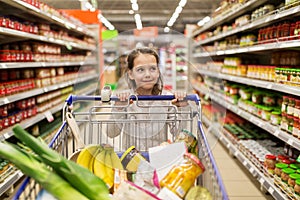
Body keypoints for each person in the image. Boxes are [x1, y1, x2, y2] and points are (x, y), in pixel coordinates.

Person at [107, 47, 188, 151]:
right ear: (131, 74)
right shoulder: (126, 100)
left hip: (158, 159)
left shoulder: (166, 99)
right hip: (131, 161)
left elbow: (179, 133)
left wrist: (183, 108)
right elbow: (111, 133)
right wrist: (118, 108)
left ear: (158, 71)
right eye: (140, 70)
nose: (148, 75)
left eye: (152, 69)